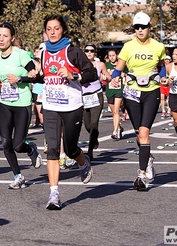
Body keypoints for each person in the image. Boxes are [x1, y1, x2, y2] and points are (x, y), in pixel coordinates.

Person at [38, 15, 98, 210]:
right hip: (51, 106)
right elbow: (44, 77)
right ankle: (54, 194)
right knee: (53, 149)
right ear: (45, 31)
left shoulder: (73, 51)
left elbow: (91, 73)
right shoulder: (43, 52)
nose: (53, 32)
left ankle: (83, 162)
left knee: (71, 149)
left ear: (62, 30)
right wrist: (31, 76)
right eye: (49, 29)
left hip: (71, 106)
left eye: (56, 28)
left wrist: (74, 75)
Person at [110, 12, 166, 191]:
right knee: (138, 133)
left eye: (143, 27)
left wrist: (163, 78)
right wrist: (114, 78)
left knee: (144, 132)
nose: (140, 30)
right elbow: (118, 69)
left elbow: (162, 67)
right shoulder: (128, 46)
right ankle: (147, 157)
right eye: (137, 28)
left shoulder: (159, 47)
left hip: (151, 92)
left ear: (150, 27)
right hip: (132, 93)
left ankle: (141, 175)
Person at [0, 22, 42, 190]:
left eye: (5, 35)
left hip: (22, 103)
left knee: (18, 145)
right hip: (4, 103)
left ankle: (30, 149)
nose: (1, 39)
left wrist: (20, 79)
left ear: (12, 38)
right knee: (5, 143)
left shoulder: (21, 55)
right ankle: (18, 176)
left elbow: (36, 77)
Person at [82, 43, 110, 160]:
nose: (89, 53)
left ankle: (89, 151)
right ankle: (95, 137)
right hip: (83, 96)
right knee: (87, 125)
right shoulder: (79, 65)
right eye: (87, 50)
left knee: (94, 124)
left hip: (96, 95)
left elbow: (109, 77)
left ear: (95, 53)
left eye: (91, 51)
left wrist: (105, 78)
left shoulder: (100, 64)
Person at [105, 48, 127, 140]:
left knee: (116, 111)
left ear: (117, 55)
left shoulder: (121, 65)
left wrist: (123, 75)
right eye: (110, 56)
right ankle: (119, 127)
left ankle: (115, 132)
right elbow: (102, 77)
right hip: (109, 90)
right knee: (114, 112)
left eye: (113, 55)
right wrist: (106, 75)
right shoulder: (106, 65)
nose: (112, 57)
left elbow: (127, 73)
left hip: (119, 90)